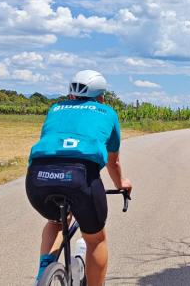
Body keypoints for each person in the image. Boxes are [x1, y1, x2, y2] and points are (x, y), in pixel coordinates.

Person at [25, 70, 132, 286]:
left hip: (37, 176)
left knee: (56, 221)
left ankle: (44, 273)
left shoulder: (55, 109)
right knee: (96, 239)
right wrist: (122, 184)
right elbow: (113, 162)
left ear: (71, 95)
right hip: (80, 177)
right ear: (101, 97)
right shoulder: (107, 113)